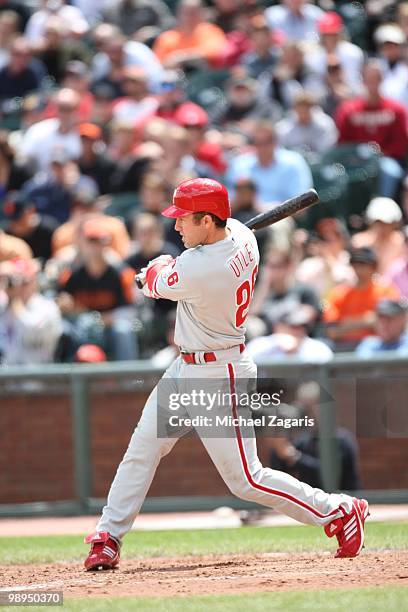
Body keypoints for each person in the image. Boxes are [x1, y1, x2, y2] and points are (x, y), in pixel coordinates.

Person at [84, 178, 369, 570]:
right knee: (143, 447)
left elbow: (154, 283)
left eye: (184, 218)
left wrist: (151, 270)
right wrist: (166, 266)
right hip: (187, 365)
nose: (177, 226)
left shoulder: (202, 267)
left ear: (206, 220)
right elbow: (193, 255)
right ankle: (108, 535)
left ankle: (338, 510)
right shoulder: (238, 235)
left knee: (247, 480)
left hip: (219, 373)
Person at [57, 218, 138, 361]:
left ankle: (128, 380)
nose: (95, 247)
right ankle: (68, 379)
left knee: (123, 330)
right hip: (81, 327)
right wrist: (66, 307)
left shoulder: (121, 274)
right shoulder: (71, 274)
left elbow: (130, 312)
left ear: (107, 244)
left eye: (100, 241)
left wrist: (98, 320)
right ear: (82, 243)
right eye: (90, 241)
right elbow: (61, 304)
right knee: (64, 329)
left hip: (109, 328)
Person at [335, 60, 408, 198]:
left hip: (386, 159)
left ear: (382, 80)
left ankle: (382, 209)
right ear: (363, 80)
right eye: (369, 79)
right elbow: (342, 142)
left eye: (376, 79)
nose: (373, 84)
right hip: (355, 161)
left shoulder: (396, 110)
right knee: (338, 174)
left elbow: (401, 142)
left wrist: (380, 155)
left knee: (390, 171)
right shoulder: (349, 110)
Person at [323, 247, 400, 351]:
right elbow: (332, 332)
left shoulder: (386, 291)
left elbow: (391, 327)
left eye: (363, 264)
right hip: (343, 346)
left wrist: (349, 323)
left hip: (378, 346)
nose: (358, 269)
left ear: (373, 267)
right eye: (355, 264)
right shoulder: (338, 293)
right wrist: (367, 321)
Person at [225, 121, 313, 208]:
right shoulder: (240, 164)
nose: (263, 147)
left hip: (280, 217)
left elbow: (301, 205)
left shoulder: (293, 162)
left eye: (267, 141)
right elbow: (228, 203)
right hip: (242, 216)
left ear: (276, 142)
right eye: (258, 142)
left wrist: (263, 208)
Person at [0, 258, 62, 364]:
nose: (19, 287)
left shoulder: (46, 307)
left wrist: (15, 302)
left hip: (37, 375)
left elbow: (31, 332)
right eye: (14, 282)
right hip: (8, 375)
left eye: (24, 282)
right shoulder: (5, 305)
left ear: (34, 281)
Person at [247, 305, 333, 363]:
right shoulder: (260, 345)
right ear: (278, 327)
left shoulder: (318, 348)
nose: (299, 330)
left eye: (302, 325)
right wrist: (278, 347)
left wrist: (293, 352)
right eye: (293, 326)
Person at [351, 197, 405, 277]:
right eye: (379, 222)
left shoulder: (400, 242)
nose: (383, 227)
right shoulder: (359, 242)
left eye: (387, 223)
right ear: (371, 223)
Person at [275, 89, 338, 155]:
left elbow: (327, 150)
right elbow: (282, 152)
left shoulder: (325, 124)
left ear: (313, 108)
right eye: (300, 109)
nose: (303, 113)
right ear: (295, 108)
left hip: (320, 162)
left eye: (307, 109)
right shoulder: (284, 128)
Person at [2, 191, 57, 261]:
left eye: (19, 218)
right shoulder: (6, 233)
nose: (15, 223)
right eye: (12, 220)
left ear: (31, 210)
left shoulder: (48, 229)